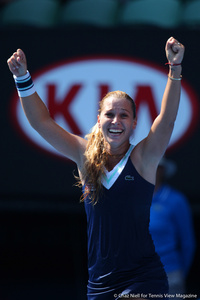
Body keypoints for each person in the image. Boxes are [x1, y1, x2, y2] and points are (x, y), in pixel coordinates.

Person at [7, 37, 185, 300]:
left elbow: (167, 120)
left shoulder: (143, 157)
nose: (116, 121)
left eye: (124, 115)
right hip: (99, 285)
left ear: (134, 122)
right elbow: (41, 122)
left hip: (143, 278)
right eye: (109, 114)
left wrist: (175, 66)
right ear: (98, 118)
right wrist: (22, 77)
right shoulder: (83, 155)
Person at [149, 158, 196, 297]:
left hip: (170, 274)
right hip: (136, 276)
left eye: (155, 166)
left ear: (162, 170)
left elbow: (187, 242)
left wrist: (178, 273)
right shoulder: (131, 199)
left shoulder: (176, 200)